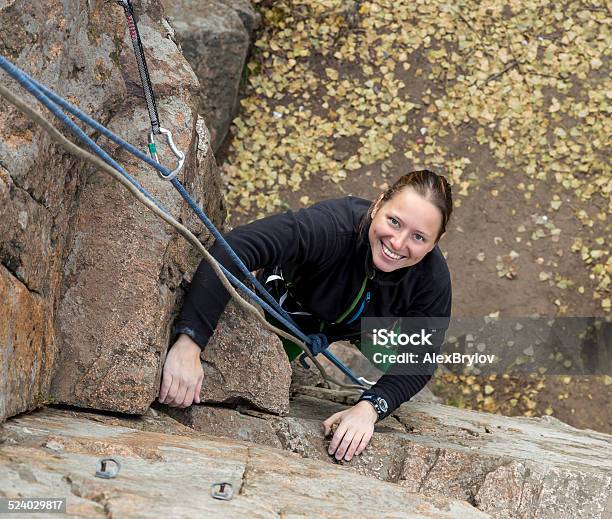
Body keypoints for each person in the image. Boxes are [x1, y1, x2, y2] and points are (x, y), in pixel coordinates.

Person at [159, 169, 452, 462]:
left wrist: (370, 408)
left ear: (435, 242)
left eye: (418, 236)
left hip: (362, 327)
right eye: (394, 221)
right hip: (289, 312)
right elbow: (235, 247)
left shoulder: (431, 279)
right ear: (378, 205)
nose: (398, 243)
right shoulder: (332, 227)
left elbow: (420, 357)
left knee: (415, 359)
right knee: (246, 383)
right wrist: (190, 342)